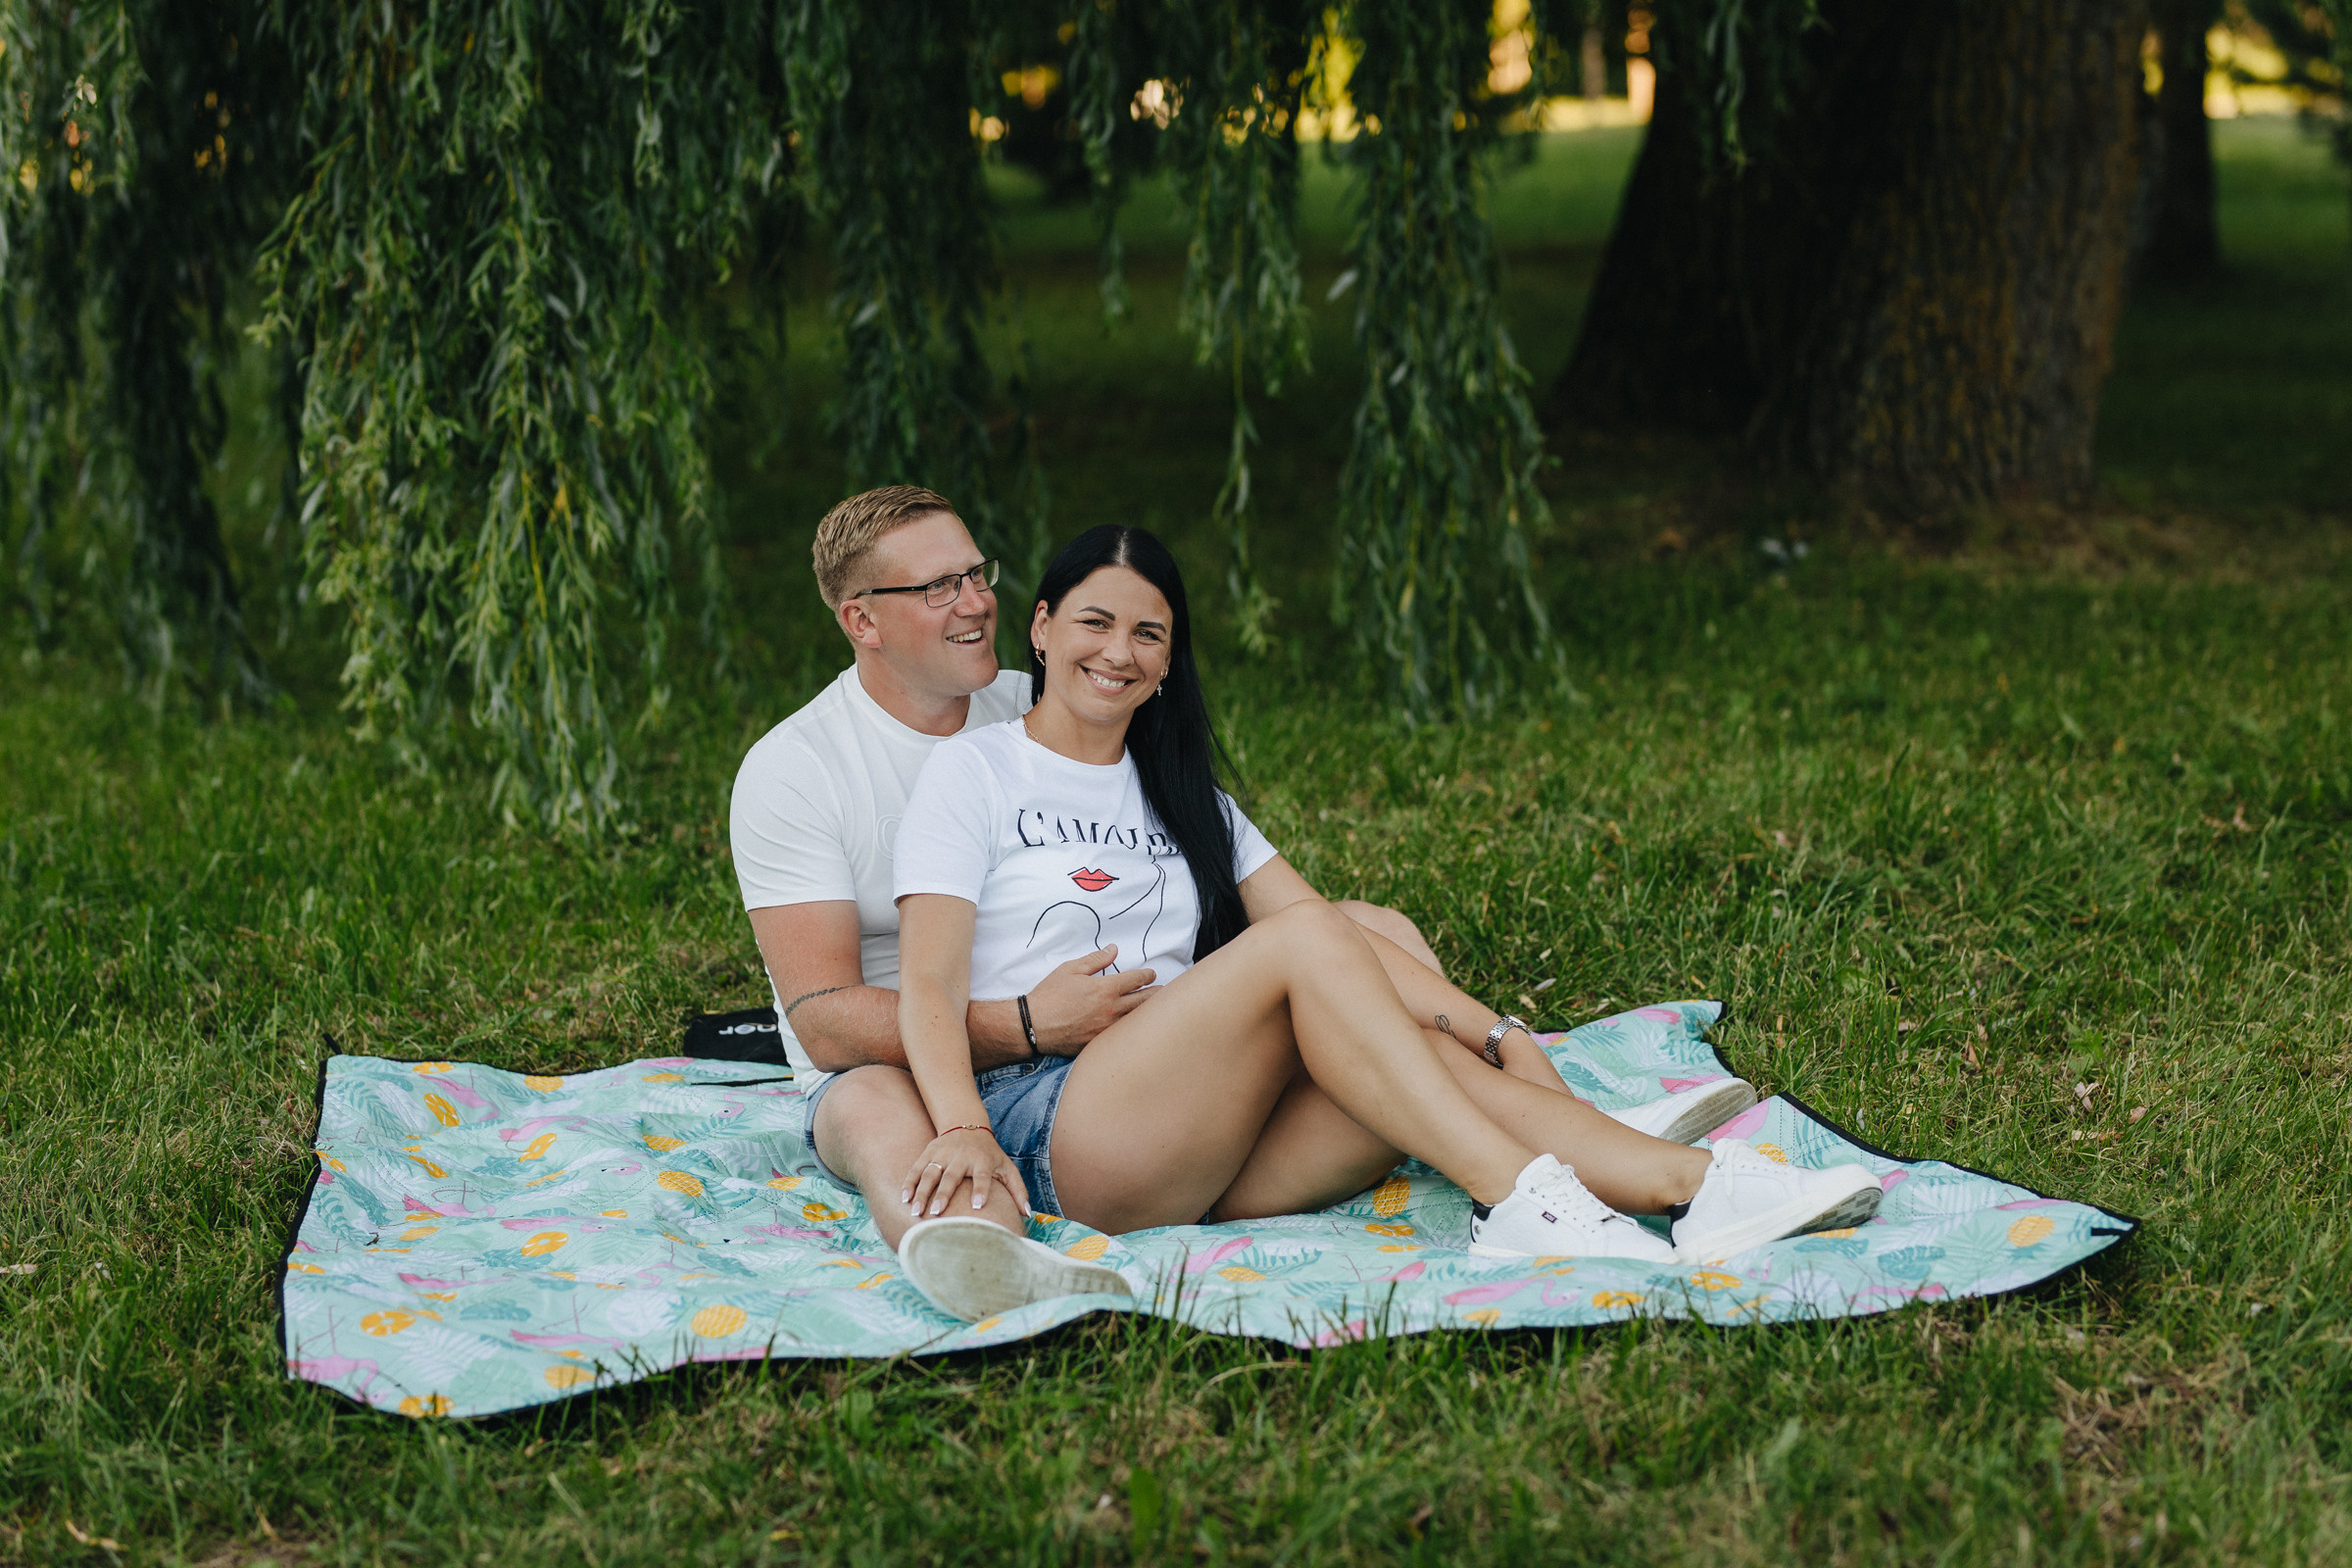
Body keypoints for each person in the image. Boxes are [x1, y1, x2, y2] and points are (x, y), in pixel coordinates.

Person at [730, 487, 1755, 1308]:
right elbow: (823, 1017)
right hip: (900, 1049)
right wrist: (1027, 1025)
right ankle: (981, 1252)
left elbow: (1184, 855)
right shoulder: (801, 769)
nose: (975, 602)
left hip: (1123, 1060)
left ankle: (1600, 1139)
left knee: (1369, 939)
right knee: (883, 1111)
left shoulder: (1026, 698)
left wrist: (1500, 1032)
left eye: (977, 573)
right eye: (938, 586)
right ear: (861, 619)